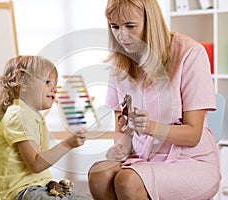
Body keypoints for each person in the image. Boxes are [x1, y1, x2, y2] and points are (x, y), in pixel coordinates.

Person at [88, 0, 221, 200]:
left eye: (130, 26)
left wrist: (149, 126)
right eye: (114, 27)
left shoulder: (190, 53)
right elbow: (121, 130)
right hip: (142, 159)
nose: (121, 35)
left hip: (191, 162)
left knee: (128, 182)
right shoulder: (120, 63)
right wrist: (120, 147)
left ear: (150, 22)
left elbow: (193, 135)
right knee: (99, 175)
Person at [0, 55, 92, 200]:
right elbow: (36, 164)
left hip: (39, 188)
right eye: (47, 82)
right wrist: (67, 144)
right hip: (20, 192)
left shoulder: (30, 116)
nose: (54, 88)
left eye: (55, 84)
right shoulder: (19, 116)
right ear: (23, 83)